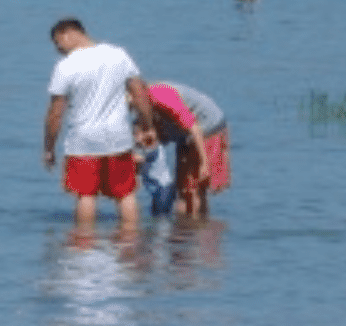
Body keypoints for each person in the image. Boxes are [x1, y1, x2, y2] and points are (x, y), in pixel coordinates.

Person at [43, 19, 155, 228]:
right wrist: (148, 126)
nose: (58, 50)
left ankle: (85, 245)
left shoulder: (66, 66)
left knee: (86, 195)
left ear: (67, 34)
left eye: (57, 43)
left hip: (83, 142)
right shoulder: (118, 55)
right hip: (118, 138)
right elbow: (139, 93)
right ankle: (130, 243)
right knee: (125, 193)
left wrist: (49, 148)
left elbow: (55, 113)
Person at [143, 81, 230, 218]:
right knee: (184, 189)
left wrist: (204, 163)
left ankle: (198, 230)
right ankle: (187, 230)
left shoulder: (159, 96)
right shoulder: (142, 106)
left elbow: (194, 128)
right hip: (185, 133)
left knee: (195, 190)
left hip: (207, 126)